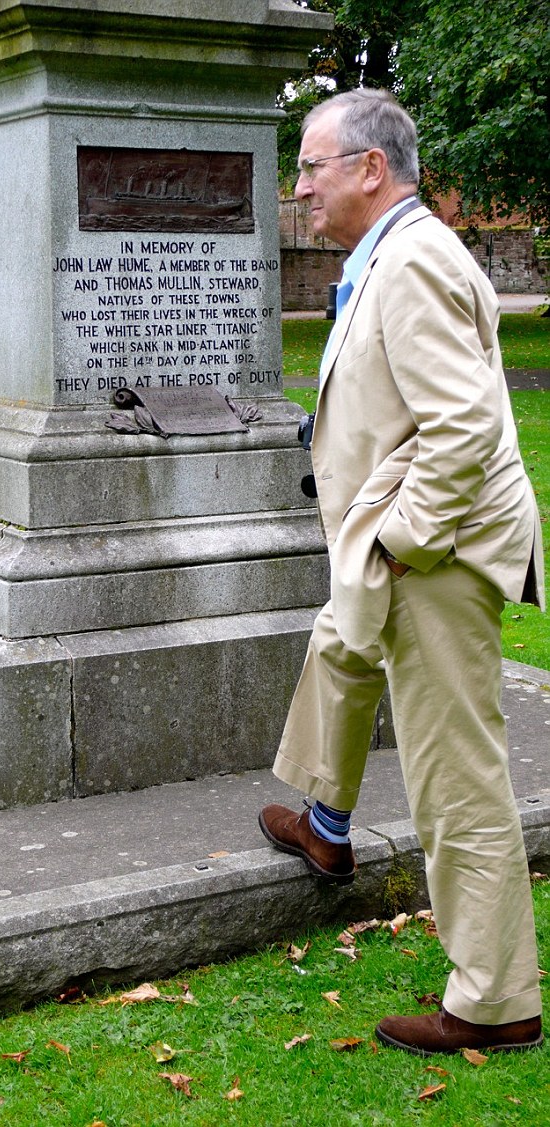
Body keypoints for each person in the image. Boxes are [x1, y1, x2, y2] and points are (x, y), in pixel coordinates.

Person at [260, 88, 544, 1056]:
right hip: (403, 544)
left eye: (310, 166)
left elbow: (463, 423)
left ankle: (496, 997)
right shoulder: (388, 253)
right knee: (337, 641)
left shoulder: (413, 260)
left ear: (369, 170)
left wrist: (400, 542)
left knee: (454, 775)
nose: (299, 187)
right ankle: (325, 821)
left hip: (438, 555)